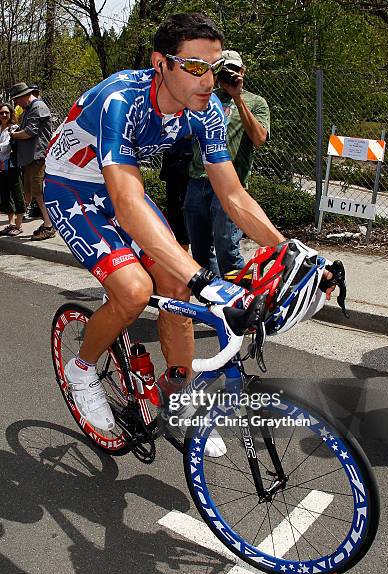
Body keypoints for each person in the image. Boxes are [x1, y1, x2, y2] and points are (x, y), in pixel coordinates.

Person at [43, 13, 333, 454]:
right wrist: (206, 280)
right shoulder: (119, 98)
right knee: (136, 289)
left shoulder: (207, 109)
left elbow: (234, 196)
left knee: (176, 287)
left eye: (214, 68)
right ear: (161, 63)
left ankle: (177, 401)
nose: (208, 79)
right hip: (72, 187)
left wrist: (292, 253)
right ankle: (83, 369)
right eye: (195, 67)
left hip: (122, 186)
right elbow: (126, 202)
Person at [184, 50, 270, 278]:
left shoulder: (256, 102)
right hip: (197, 181)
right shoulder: (205, 98)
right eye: (225, 69)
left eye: (235, 69)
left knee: (227, 250)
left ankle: (242, 303)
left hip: (229, 186)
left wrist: (238, 98)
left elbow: (259, 139)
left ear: (243, 71)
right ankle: (215, 303)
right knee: (201, 252)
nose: (230, 74)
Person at [9, 82, 55, 240]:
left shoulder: (37, 107)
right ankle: (22, 224)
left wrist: (13, 135)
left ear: (24, 96)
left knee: (38, 193)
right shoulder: (29, 109)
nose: (16, 103)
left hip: (37, 158)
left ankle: (49, 226)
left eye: (17, 99)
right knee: (30, 193)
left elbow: (30, 132)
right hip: (29, 158)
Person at [159, 137, 193, 251]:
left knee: (187, 214)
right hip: (173, 164)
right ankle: (181, 251)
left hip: (189, 167)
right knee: (175, 213)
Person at [0, 102, 25, 235]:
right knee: (5, 195)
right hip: (2, 168)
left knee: (17, 194)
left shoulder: (14, 128)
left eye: (6, 113)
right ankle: (10, 224)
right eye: (1, 113)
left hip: (12, 166)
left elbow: (5, 148)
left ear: (11, 114)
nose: (4, 115)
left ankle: (19, 225)